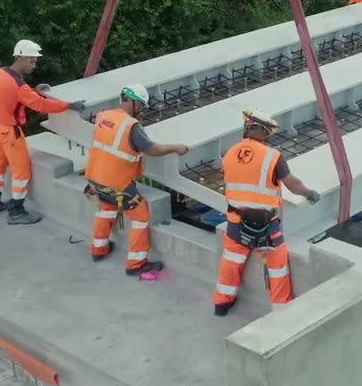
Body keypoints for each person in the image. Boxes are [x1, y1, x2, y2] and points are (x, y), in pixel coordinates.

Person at [212, 109, 322, 316]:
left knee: (231, 260)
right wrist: (309, 193)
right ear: (263, 131)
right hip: (266, 224)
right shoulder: (272, 156)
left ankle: (222, 303)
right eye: (268, 132)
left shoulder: (229, 153)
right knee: (277, 264)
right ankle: (280, 310)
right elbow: (292, 184)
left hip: (236, 221)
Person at [84, 84, 189, 275]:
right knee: (140, 216)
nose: (140, 110)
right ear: (134, 103)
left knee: (107, 208)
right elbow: (151, 149)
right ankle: (136, 264)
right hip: (117, 183)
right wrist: (176, 147)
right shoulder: (132, 126)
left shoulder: (103, 116)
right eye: (140, 105)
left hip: (95, 178)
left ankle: (98, 249)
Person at [0, 39, 86, 225]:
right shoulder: (19, 86)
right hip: (11, 133)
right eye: (31, 61)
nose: (34, 65)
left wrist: (33, 90)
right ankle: (16, 211)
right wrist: (68, 105)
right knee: (21, 171)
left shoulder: (0, 73)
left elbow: (14, 95)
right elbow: (40, 104)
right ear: (20, 57)